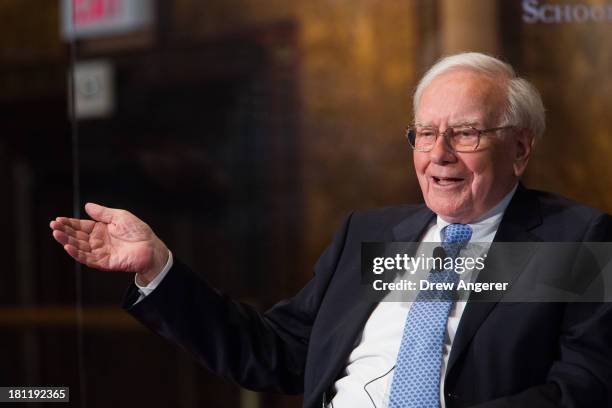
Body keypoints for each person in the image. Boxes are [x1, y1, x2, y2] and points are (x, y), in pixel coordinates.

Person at [50, 52, 612, 408]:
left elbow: (583, 390)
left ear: (519, 148)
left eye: (465, 133)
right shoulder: (369, 235)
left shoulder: (574, 239)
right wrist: (158, 269)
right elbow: (276, 352)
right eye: (424, 133)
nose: (439, 154)